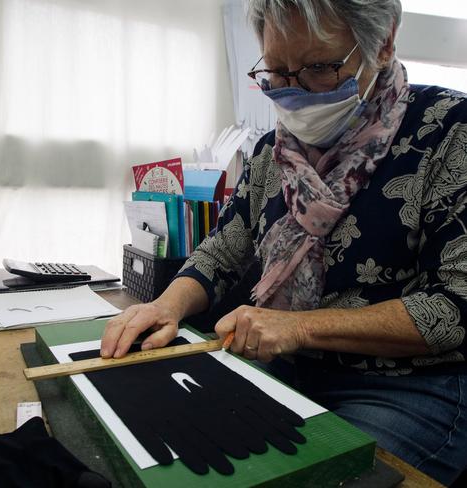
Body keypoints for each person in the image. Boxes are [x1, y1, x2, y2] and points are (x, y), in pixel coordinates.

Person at [100, 0, 467, 485]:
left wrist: (298, 328)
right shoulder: (274, 154)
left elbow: (455, 306)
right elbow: (222, 251)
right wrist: (167, 305)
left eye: (319, 68)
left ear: (384, 43)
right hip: (289, 370)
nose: (293, 94)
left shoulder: (450, 132)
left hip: (409, 385)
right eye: (276, 72)